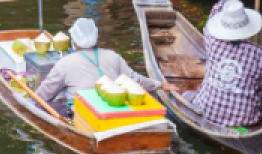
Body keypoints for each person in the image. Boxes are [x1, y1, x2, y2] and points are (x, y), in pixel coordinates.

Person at [36, 18, 174, 117]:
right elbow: (135, 80)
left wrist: (31, 101)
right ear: (96, 38)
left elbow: (43, 95)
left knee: (40, 105)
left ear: (74, 41)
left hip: (84, 114)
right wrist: (160, 84)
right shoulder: (112, 55)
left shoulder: (64, 64)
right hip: (115, 110)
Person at [184, 0, 262, 127]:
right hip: (247, 118)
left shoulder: (213, 43)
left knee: (186, 95)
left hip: (208, 112)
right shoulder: (259, 53)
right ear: (247, 28)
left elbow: (210, 20)